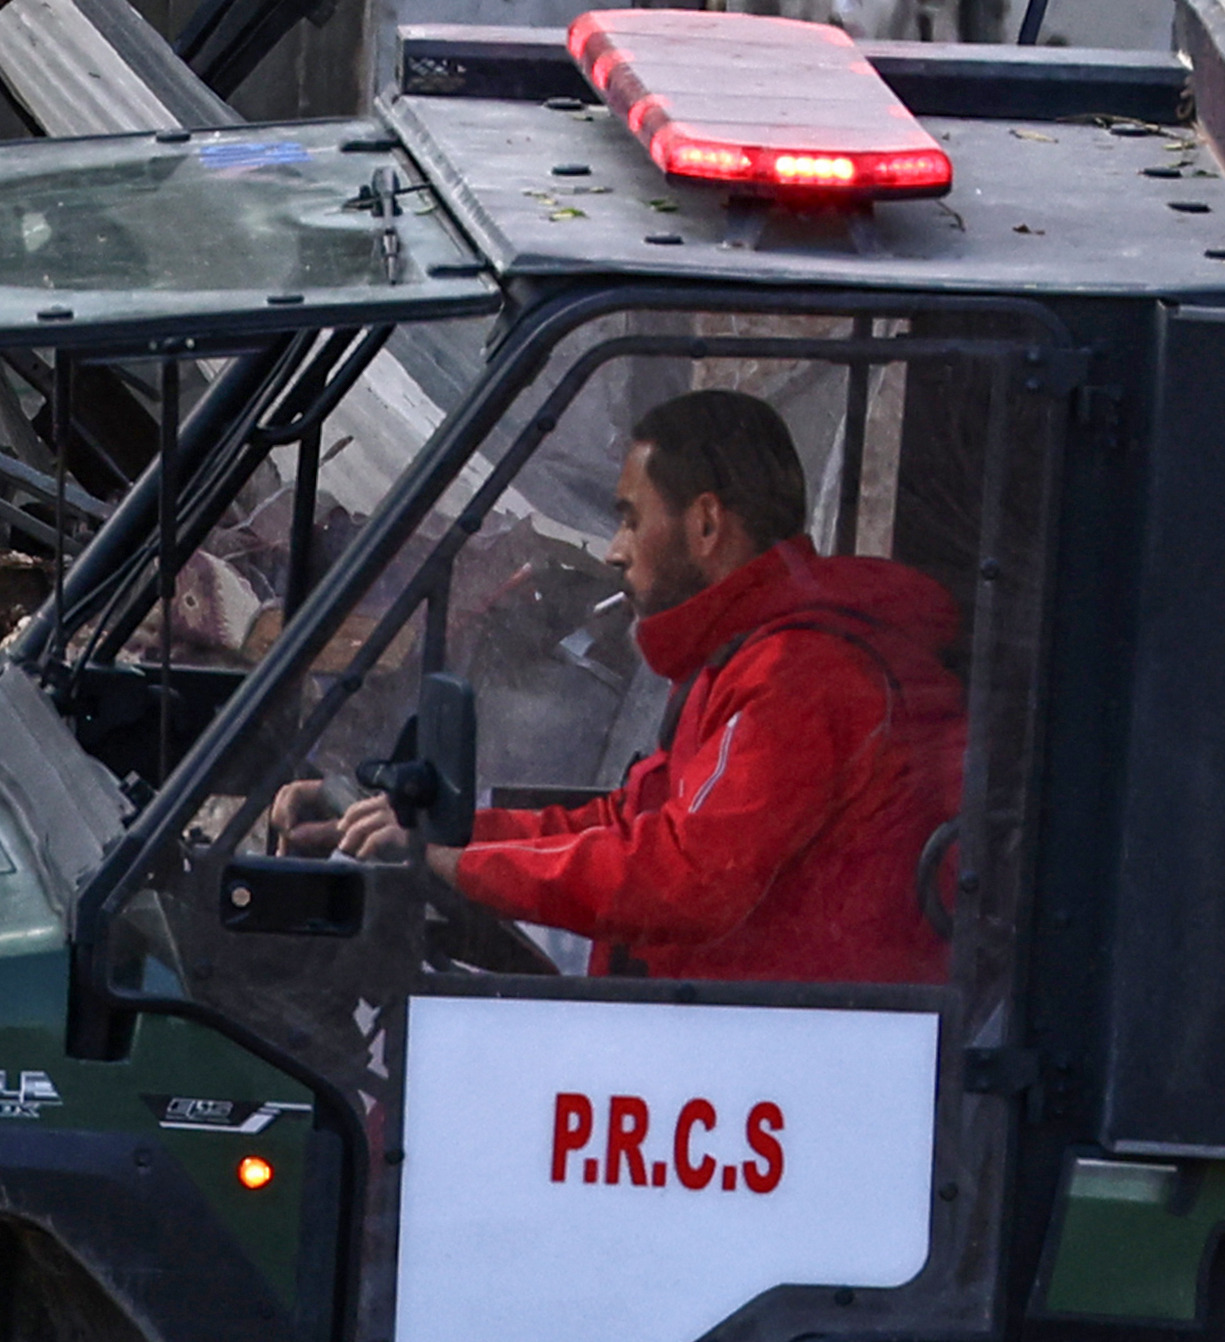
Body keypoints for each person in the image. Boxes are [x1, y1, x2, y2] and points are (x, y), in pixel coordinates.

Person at [302, 388, 966, 984]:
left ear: (705, 524)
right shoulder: (745, 659)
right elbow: (631, 820)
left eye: (630, 518)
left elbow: (685, 877)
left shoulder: (799, 675)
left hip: (777, 1066)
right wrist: (450, 832)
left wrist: (459, 865)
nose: (615, 550)